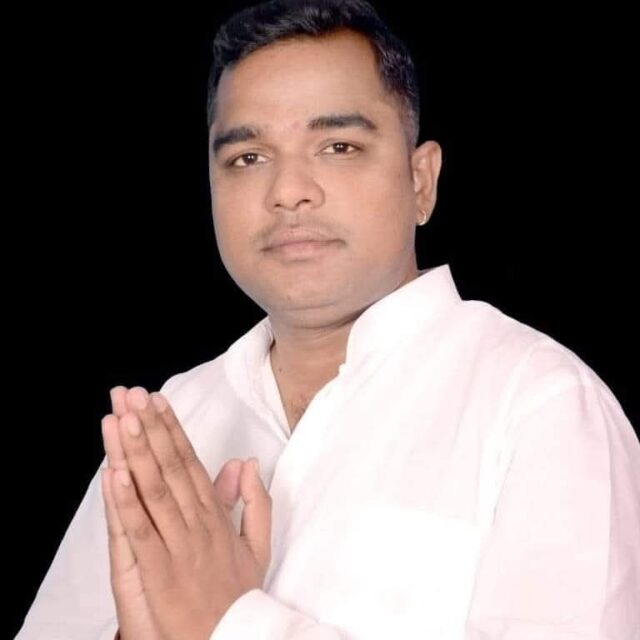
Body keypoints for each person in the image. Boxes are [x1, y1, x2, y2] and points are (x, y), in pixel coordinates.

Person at [16, 1, 639, 638]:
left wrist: (227, 622)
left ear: (421, 180)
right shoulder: (170, 424)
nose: (288, 191)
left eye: (339, 146)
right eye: (248, 157)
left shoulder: (539, 404)